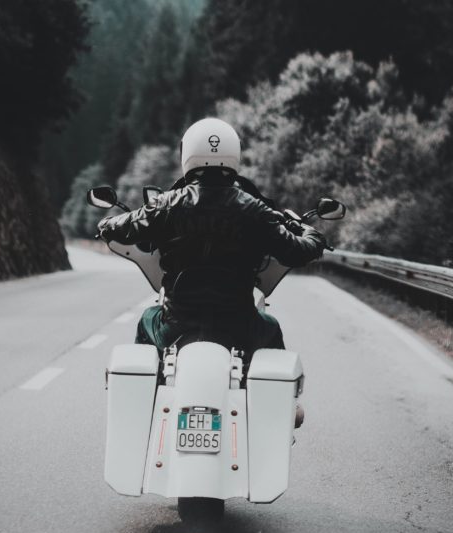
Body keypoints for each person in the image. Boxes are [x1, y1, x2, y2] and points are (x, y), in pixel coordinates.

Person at [97, 118, 326, 358]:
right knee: (272, 328)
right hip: (239, 326)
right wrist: (307, 230)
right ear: (234, 153)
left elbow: (117, 228)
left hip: (177, 325)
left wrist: (106, 225)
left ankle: (149, 389)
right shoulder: (255, 209)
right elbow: (300, 251)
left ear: (188, 154)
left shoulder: (166, 204)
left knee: (146, 319)